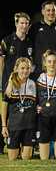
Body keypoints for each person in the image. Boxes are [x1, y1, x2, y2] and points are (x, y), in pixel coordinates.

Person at [0, 12, 33, 154]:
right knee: (5, 112)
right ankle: (1, 144)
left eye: (26, 23)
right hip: (9, 82)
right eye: (21, 23)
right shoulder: (6, 40)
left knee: (22, 111)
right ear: (16, 24)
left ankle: (25, 142)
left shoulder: (31, 42)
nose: (24, 25)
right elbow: (1, 63)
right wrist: (2, 80)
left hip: (25, 83)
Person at [1, 58, 36, 160]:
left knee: (26, 157)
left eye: (27, 68)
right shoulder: (10, 84)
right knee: (12, 158)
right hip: (15, 126)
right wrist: (4, 125)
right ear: (16, 69)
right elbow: (4, 106)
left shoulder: (33, 84)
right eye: (22, 68)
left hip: (29, 126)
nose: (25, 71)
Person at [28, 0, 56, 80]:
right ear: (43, 12)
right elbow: (28, 47)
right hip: (39, 70)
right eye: (48, 10)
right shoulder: (35, 27)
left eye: (53, 10)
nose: (51, 13)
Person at [36, 50, 56, 160]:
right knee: (44, 158)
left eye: (54, 61)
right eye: (49, 61)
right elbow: (32, 96)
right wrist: (36, 106)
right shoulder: (38, 79)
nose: (52, 64)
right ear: (45, 63)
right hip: (43, 118)